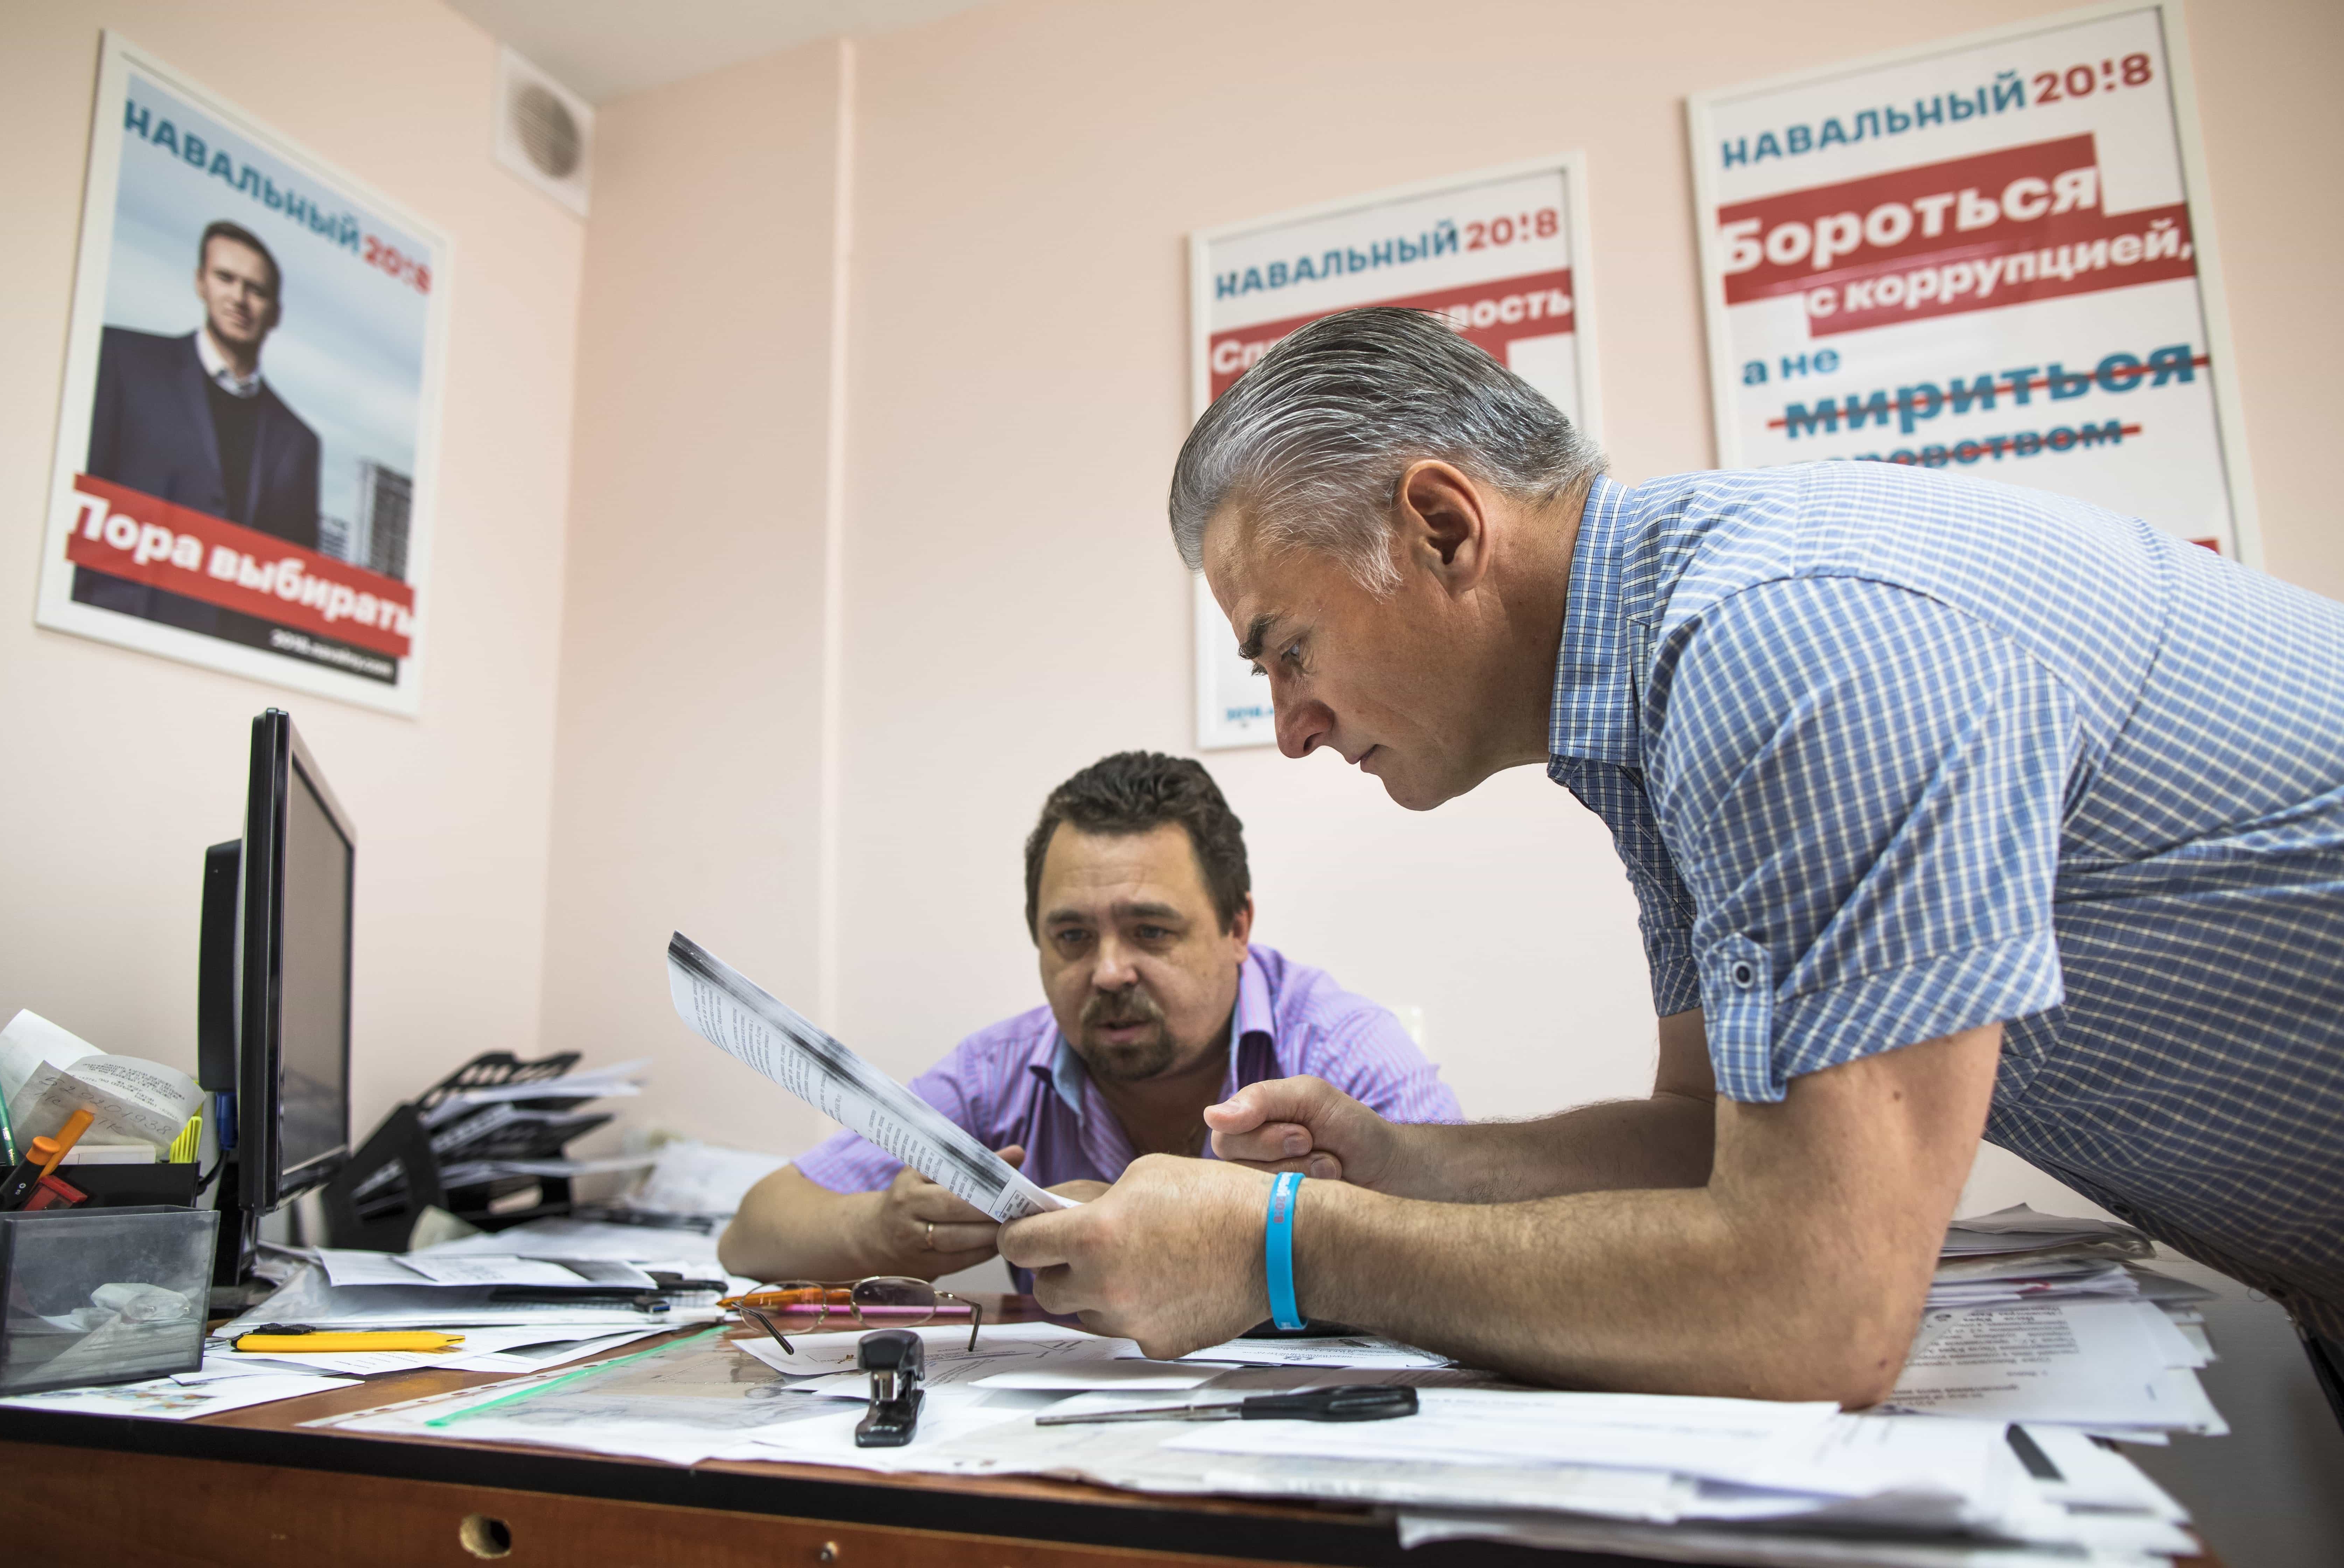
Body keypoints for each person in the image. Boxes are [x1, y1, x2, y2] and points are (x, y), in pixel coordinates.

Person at [999, 307, 2344, 1403]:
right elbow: (1706, 1143)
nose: (1289, 729)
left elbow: (1813, 1305)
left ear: (1443, 527)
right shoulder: (1649, 706)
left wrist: (1280, 1250)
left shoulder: (1781, 641)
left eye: (1286, 649)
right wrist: (1397, 1162)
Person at [719, 751, 1460, 1288]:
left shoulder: (1344, 1052)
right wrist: (880, 1230)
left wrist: (1227, 1242)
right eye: (1072, 936)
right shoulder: (997, 1072)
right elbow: (753, 1230)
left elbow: (1464, 1254)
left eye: (1151, 930)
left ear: (1238, 927)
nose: (1108, 971)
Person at [77, 219, 321, 633]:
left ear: (275, 313)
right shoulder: (124, 361)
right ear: (200, 282)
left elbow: (292, 591)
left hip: (228, 664)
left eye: (256, 290)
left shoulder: (299, 441)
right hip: (113, 633)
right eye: (226, 278)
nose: (239, 298)